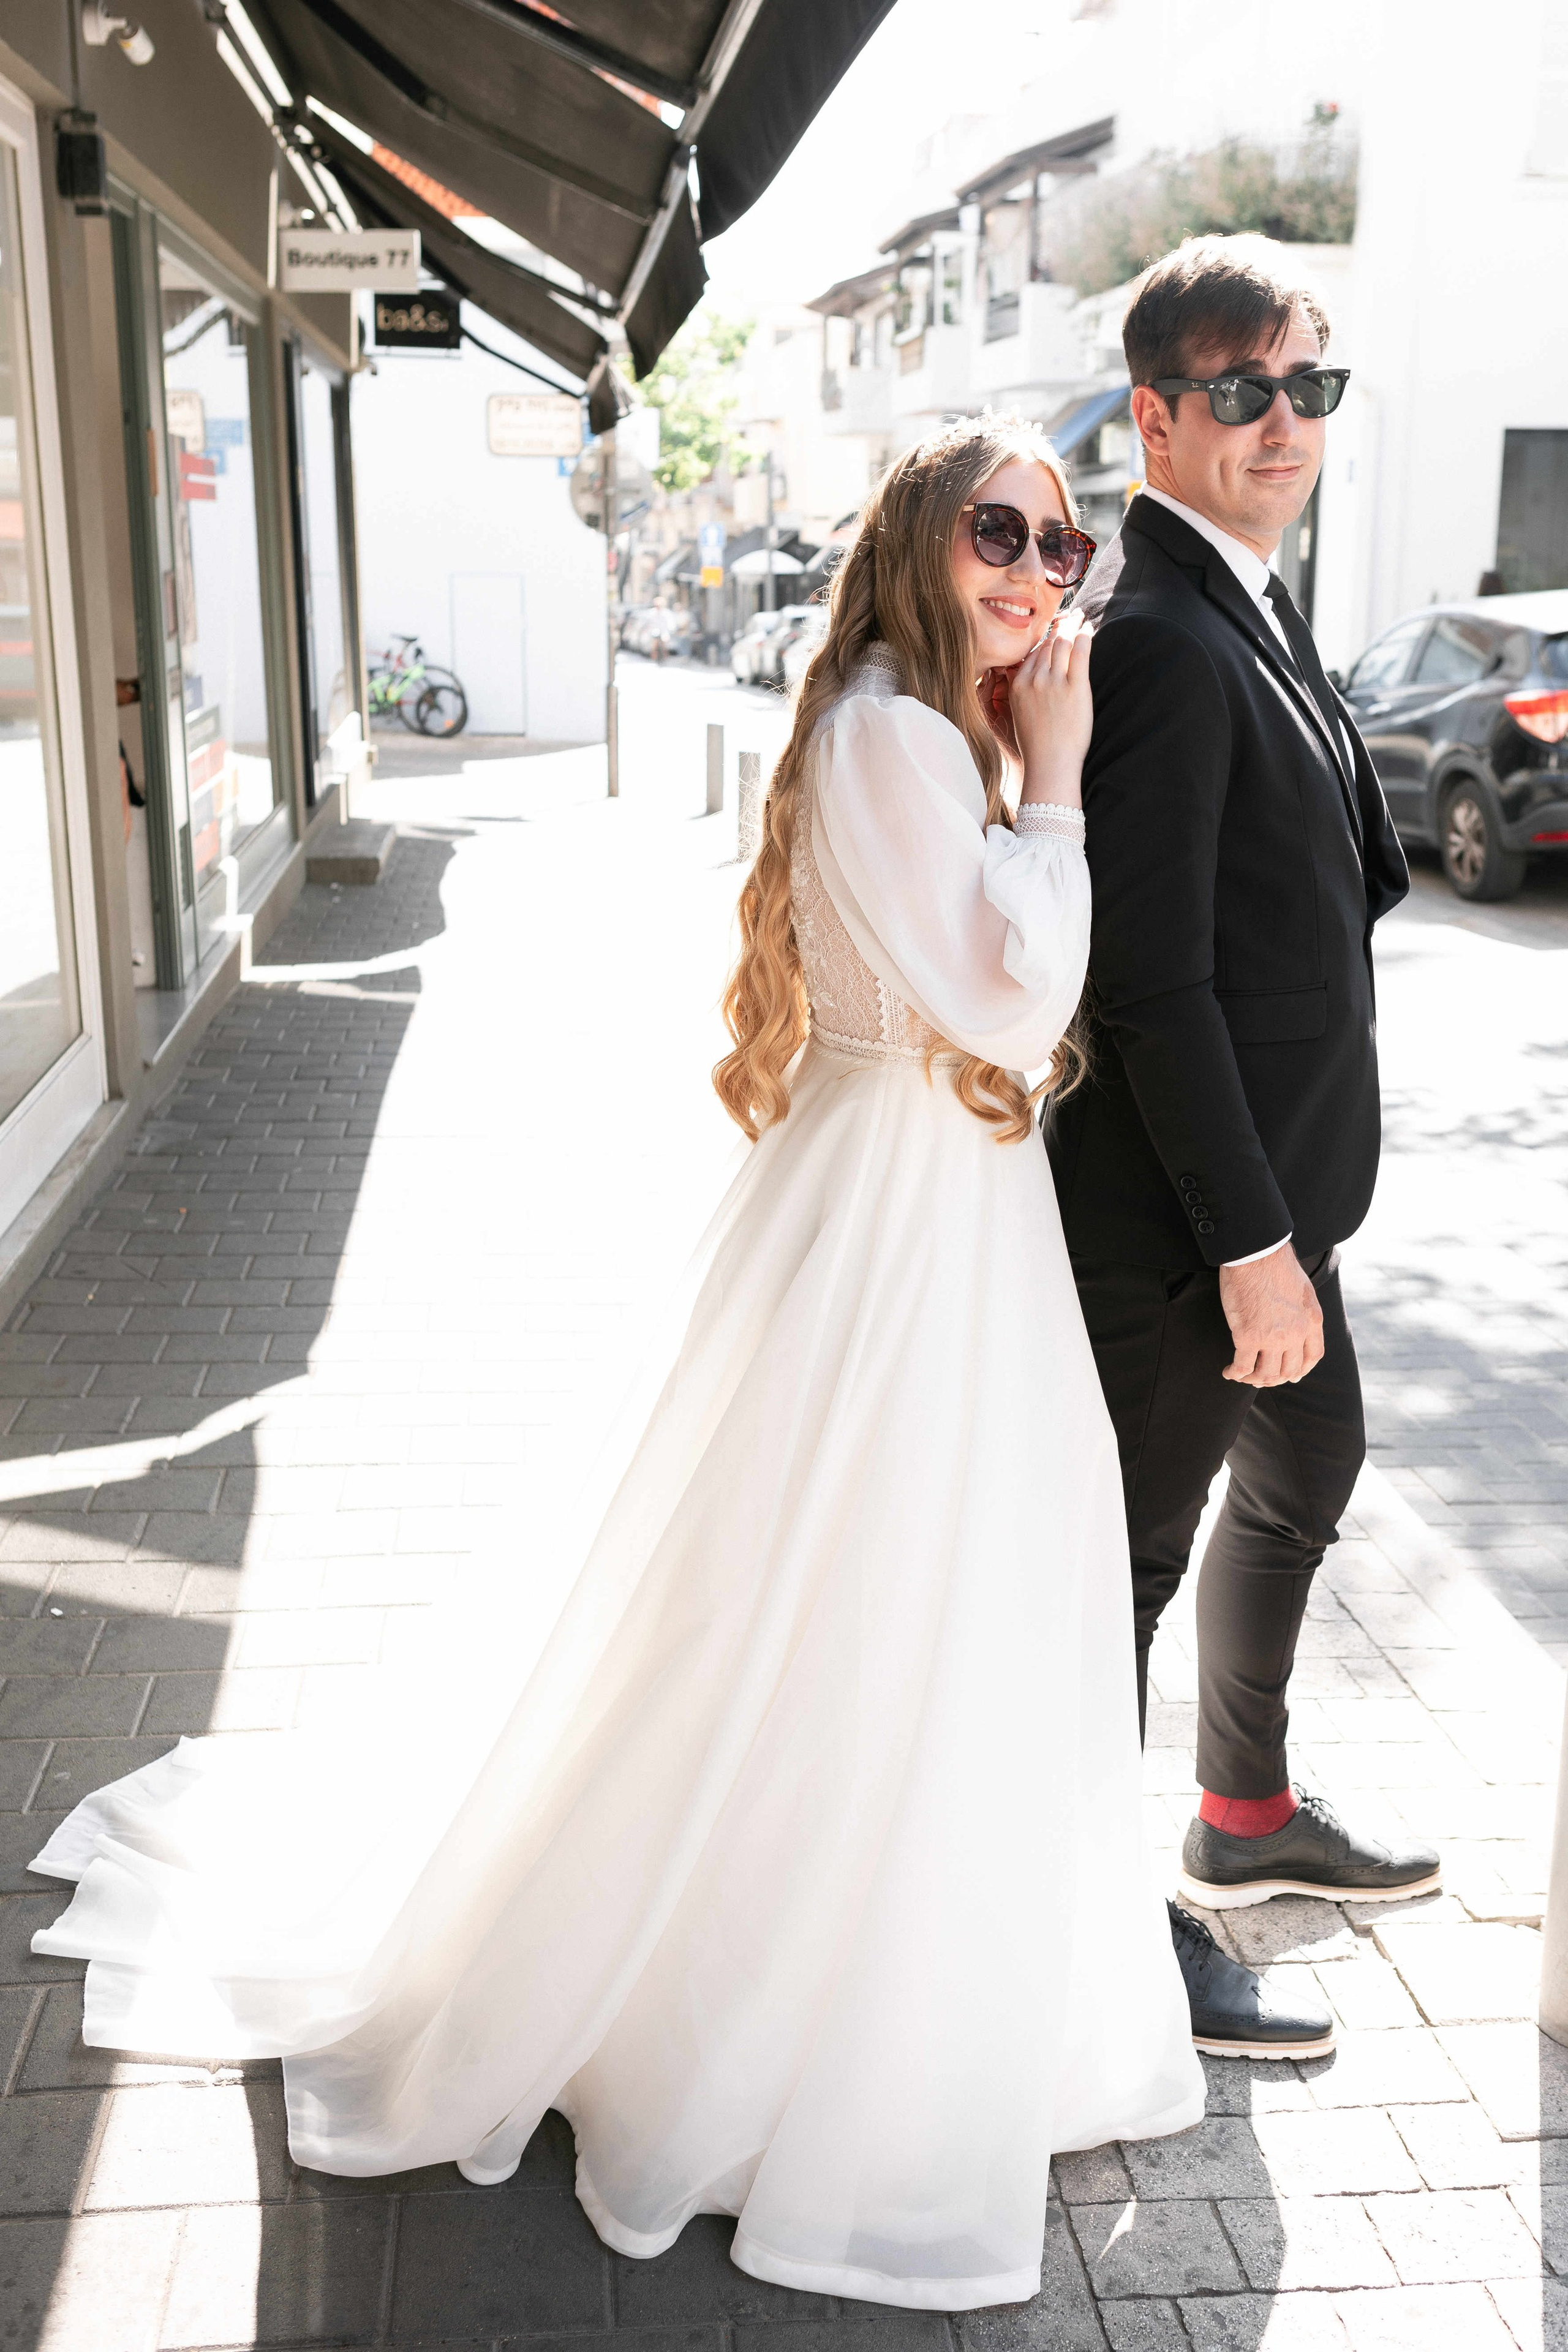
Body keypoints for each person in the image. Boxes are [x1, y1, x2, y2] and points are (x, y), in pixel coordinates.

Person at [31, 420, 1204, 2313]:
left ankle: (859, 1981)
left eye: (1061, 549)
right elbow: (1013, 996)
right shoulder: (909, 733)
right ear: (920, 536)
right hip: (906, 1222)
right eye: (1001, 529)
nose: (1035, 572)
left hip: (909, 1202)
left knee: (848, 1601)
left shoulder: (898, 723)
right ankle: (789, 2022)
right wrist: (1059, 788)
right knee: (873, 1600)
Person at [1050, 236, 1441, 2059]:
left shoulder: (1249, 597)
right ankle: (1091, 1917)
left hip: (1285, 1203)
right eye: (1242, 393)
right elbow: (1150, 983)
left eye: (1312, 387)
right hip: (1193, 1233)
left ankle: (1247, 1811)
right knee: (1110, 1574)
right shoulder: (1156, 635)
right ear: (1158, 414)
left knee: (1317, 1459)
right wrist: (1248, 1250)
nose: (1286, 424)